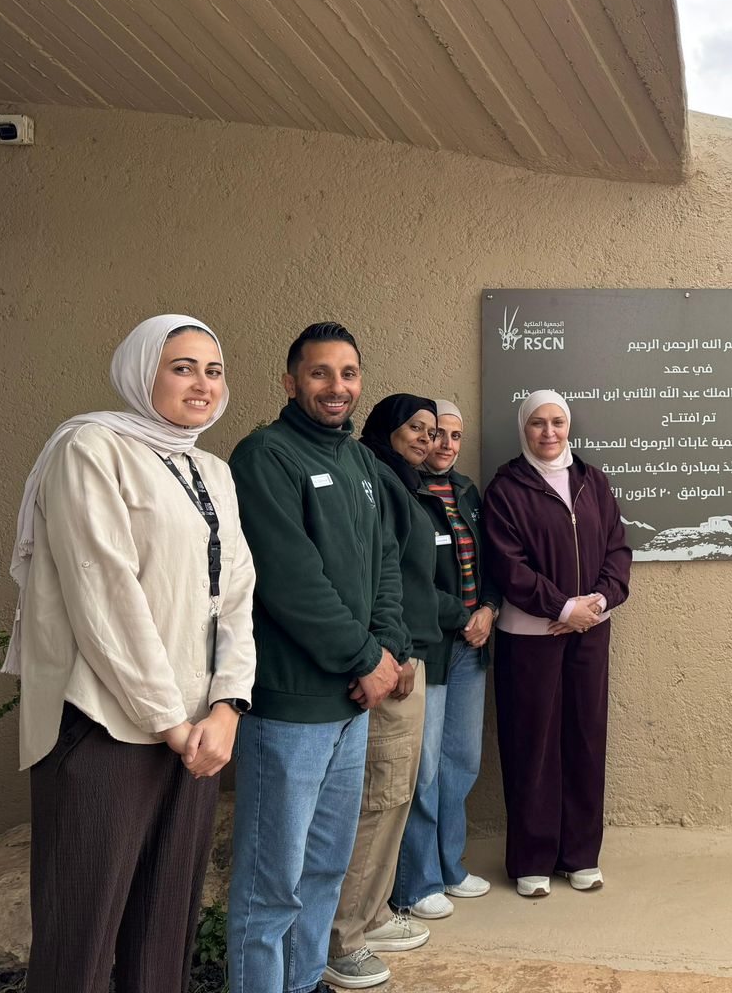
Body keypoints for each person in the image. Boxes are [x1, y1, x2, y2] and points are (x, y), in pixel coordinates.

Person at [10, 314, 255, 993]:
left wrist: (229, 707)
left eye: (213, 368)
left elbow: (236, 593)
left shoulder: (211, 468)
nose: (202, 383)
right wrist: (171, 722)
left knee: (163, 933)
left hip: (199, 732)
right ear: (140, 371)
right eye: (181, 366)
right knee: (79, 940)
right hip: (106, 725)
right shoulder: (91, 448)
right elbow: (104, 594)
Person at [228, 322, 407, 993]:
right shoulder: (265, 456)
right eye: (320, 373)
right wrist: (364, 658)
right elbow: (290, 578)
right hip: (291, 708)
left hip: (351, 704)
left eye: (349, 373)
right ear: (290, 381)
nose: (337, 387)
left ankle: (302, 984)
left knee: (326, 868)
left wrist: (384, 651)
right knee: (271, 884)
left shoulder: (360, 462)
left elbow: (385, 562)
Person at [326, 394, 460, 988]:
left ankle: (373, 914)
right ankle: (342, 937)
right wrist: (395, 649)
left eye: (433, 432)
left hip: (414, 651)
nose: (427, 440)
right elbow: (378, 574)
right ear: (388, 428)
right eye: (415, 428)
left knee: (398, 791)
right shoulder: (374, 476)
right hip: (396, 658)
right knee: (378, 794)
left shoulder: (400, 482)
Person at [482, 390, 631, 897]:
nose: (549, 433)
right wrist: (562, 608)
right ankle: (531, 859)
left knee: (586, 740)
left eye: (558, 422)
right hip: (531, 638)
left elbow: (617, 550)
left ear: (570, 426)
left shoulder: (593, 482)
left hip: (590, 633)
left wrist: (594, 605)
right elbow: (508, 565)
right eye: (538, 424)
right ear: (523, 429)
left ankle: (580, 855)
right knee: (533, 745)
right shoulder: (506, 489)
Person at [393, 398, 502, 918]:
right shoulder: (405, 491)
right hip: (430, 649)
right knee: (425, 767)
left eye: (456, 436)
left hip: (471, 647)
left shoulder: (467, 492)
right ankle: (418, 881)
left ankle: (449, 866)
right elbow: (409, 584)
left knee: (462, 760)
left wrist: (488, 609)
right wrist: (463, 616)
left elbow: (488, 564)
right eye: (437, 434)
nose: (446, 444)